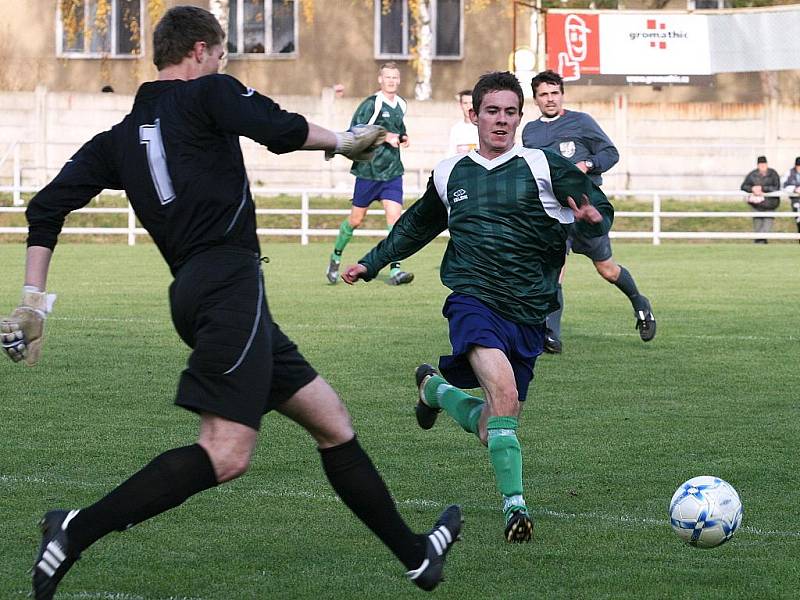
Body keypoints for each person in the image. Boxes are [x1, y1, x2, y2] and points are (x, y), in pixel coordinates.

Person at [0, 7, 462, 599]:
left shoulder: (116, 140)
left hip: (203, 294)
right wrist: (347, 142)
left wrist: (33, 304)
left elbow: (44, 208)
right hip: (228, 288)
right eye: (220, 55)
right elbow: (280, 128)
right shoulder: (208, 91)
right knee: (226, 452)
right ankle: (74, 529)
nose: (224, 65)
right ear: (198, 51)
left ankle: (417, 555)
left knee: (331, 421)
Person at [341, 71, 613, 543]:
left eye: (511, 112)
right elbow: (416, 226)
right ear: (474, 116)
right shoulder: (450, 172)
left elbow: (598, 207)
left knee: (495, 425)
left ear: (520, 117)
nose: (501, 120)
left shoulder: (542, 164)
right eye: (492, 111)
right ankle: (516, 508)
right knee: (503, 397)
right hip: (473, 300)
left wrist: (592, 215)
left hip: (528, 309)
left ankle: (437, 392)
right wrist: (372, 262)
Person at [521, 70, 655, 354]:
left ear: (562, 95)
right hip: (553, 211)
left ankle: (639, 302)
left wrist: (589, 165)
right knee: (554, 271)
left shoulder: (581, 122)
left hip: (586, 209)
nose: (550, 99)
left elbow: (611, 153)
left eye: (554, 93)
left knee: (607, 269)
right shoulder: (530, 132)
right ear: (536, 99)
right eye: (544, 94)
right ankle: (551, 336)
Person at [326, 62, 413, 286]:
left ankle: (395, 271)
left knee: (395, 220)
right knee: (356, 220)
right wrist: (386, 137)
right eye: (388, 77)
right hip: (369, 171)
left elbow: (399, 128)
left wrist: (403, 137)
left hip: (392, 172)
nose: (392, 81)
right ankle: (335, 257)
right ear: (380, 79)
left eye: (395, 77)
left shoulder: (401, 104)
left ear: (399, 80)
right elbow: (356, 130)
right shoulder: (371, 104)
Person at [741, 155, 781, 244]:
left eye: (764, 164)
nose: (762, 166)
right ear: (758, 165)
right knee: (757, 228)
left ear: (767, 164)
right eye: (760, 164)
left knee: (766, 228)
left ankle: (761, 244)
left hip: (770, 204)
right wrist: (752, 189)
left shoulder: (773, 174)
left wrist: (762, 188)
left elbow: (776, 187)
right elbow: (744, 186)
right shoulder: (752, 174)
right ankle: (759, 245)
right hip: (756, 205)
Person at [448, 89, 478, 155]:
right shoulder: (455, 129)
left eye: (471, 103)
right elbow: (451, 153)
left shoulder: (482, 128)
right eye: (465, 103)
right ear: (461, 105)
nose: (468, 106)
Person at [782, 156, 800, 242]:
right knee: (798, 219)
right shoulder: (789, 173)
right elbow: (783, 186)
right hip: (795, 200)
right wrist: (795, 189)